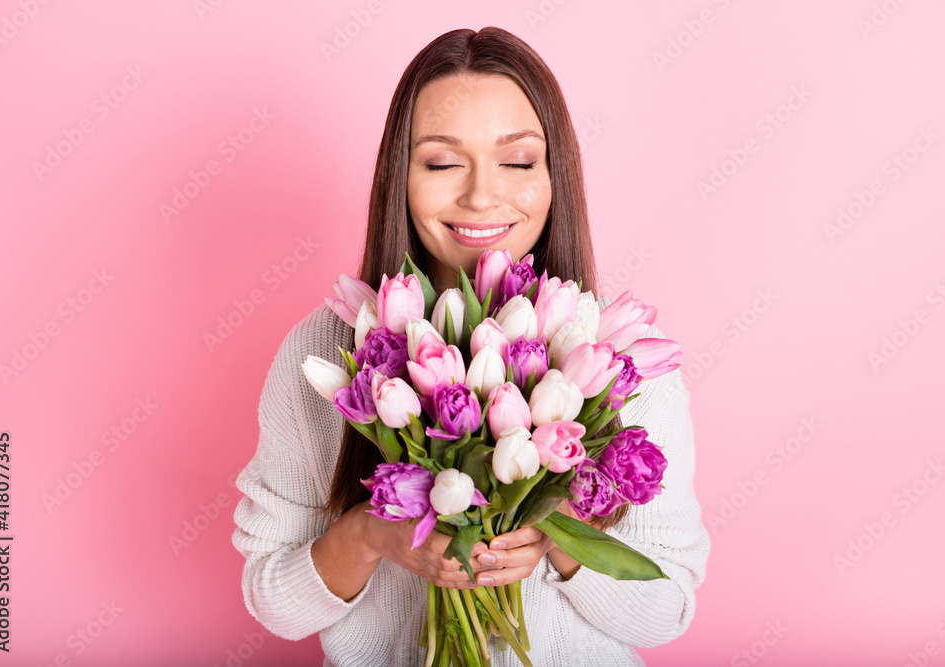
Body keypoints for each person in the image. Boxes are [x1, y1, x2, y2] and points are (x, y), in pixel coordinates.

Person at [231, 26, 710, 666]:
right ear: (398, 178)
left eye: (517, 161)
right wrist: (375, 534)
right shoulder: (327, 349)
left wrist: (553, 530)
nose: (482, 196)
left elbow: (666, 611)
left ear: (554, 175)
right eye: (441, 162)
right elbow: (273, 602)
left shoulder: (612, 358)